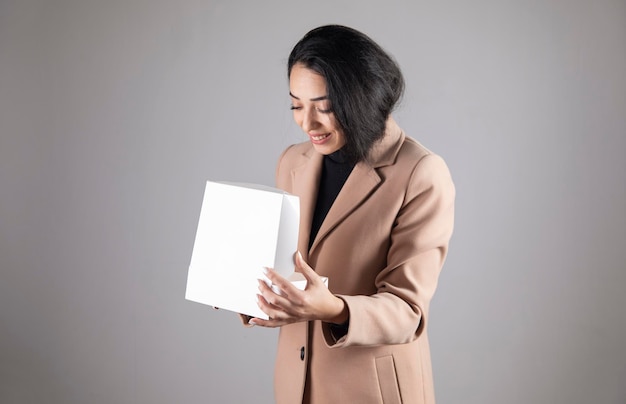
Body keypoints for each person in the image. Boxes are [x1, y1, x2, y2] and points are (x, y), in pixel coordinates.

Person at [247, 24, 455, 404]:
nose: (306, 123)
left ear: (362, 97)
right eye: (296, 105)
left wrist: (334, 308)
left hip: (374, 391)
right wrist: (246, 292)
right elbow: (287, 269)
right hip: (297, 386)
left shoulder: (420, 172)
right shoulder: (292, 162)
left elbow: (408, 310)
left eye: (323, 107)